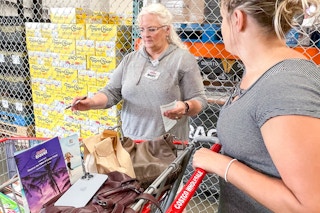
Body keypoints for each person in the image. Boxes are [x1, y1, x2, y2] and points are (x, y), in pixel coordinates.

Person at [192, 0, 320, 212]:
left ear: (237, 19)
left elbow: (309, 205)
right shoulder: (258, 72)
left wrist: (221, 164)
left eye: (223, 18)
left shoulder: (286, 86)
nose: (221, 27)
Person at [70, 3, 207, 141]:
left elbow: (199, 99)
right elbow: (112, 92)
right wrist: (91, 102)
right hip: (132, 143)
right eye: (142, 29)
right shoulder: (130, 60)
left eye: (152, 29)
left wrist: (186, 106)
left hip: (167, 147)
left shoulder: (182, 59)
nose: (146, 35)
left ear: (167, 30)